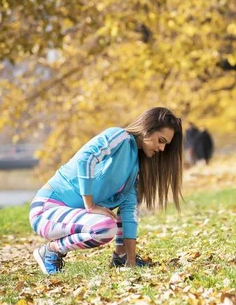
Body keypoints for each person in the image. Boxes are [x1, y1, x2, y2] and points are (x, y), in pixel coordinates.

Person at [29, 107, 183, 275]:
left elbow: (128, 212)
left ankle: (121, 257)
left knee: (107, 225)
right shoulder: (119, 136)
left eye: (165, 145)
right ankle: (50, 251)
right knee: (104, 227)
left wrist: (130, 260)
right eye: (161, 140)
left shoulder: (133, 168)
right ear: (148, 128)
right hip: (46, 209)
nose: (162, 148)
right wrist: (90, 205)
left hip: (68, 217)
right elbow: (86, 159)